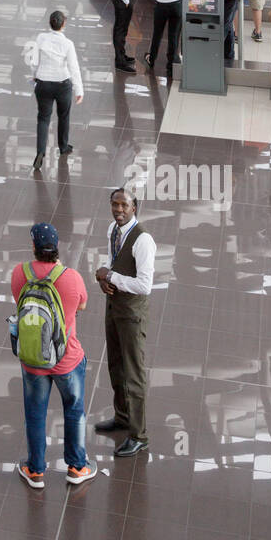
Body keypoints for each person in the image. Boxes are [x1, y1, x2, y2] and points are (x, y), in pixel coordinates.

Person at [11, 223, 95, 489]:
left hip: (34, 358)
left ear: (33, 246)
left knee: (35, 414)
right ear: (57, 246)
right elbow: (82, 304)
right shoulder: (71, 277)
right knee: (74, 410)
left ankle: (35, 470)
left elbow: (19, 301)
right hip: (67, 358)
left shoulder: (19, 273)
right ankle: (77, 467)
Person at [94, 188, 156, 458]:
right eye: (114, 204)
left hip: (131, 313)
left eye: (124, 205)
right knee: (116, 365)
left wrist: (112, 277)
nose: (118, 210)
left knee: (134, 373)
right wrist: (104, 280)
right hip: (114, 307)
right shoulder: (113, 230)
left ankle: (139, 435)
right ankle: (122, 417)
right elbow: (112, 261)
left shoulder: (143, 241)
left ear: (134, 208)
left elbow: (145, 285)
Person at [31, 11, 83, 170]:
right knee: (64, 116)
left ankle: (40, 152)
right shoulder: (68, 44)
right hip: (62, 84)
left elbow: (34, 60)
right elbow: (74, 68)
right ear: (63, 24)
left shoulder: (40, 38)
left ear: (50, 23)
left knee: (43, 118)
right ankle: (63, 146)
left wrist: (35, 76)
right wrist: (79, 90)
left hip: (43, 83)